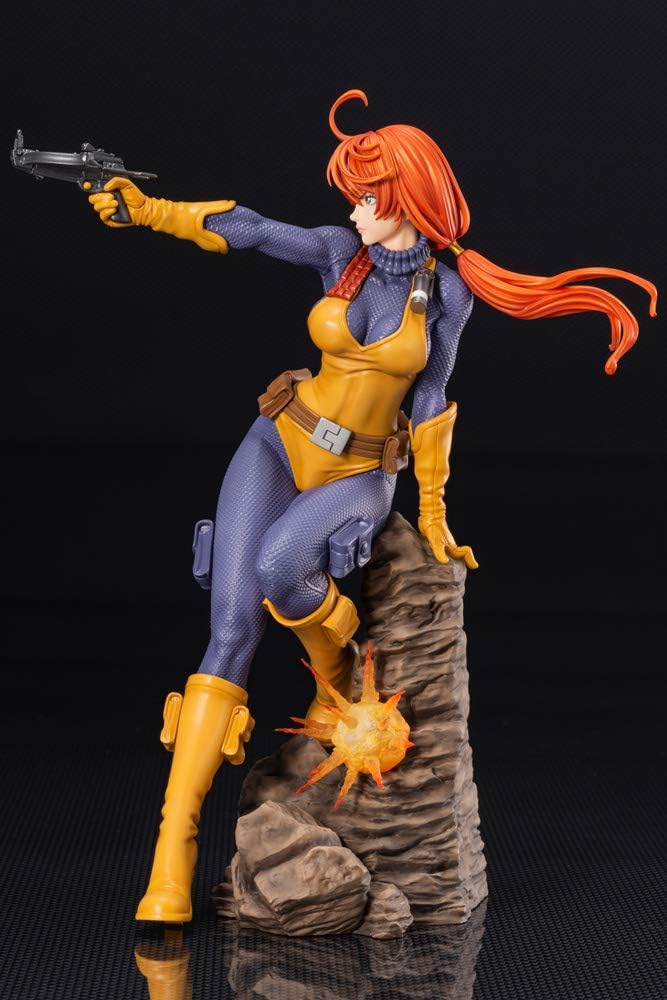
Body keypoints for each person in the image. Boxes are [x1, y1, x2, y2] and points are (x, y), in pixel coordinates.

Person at [89, 89, 657, 924]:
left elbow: (429, 401)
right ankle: (171, 853)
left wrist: (432, 511)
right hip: (280, 440)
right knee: (231, 624)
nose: (352, 210)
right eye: (352, 195)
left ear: (407, 198)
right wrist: (147, 210)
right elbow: (252, 228)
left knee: (283, 568)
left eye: (366, 196)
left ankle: (337, 676)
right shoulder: (336, 253)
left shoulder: (447, 291)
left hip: (359, 470)